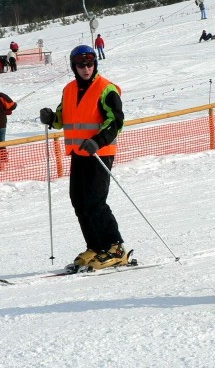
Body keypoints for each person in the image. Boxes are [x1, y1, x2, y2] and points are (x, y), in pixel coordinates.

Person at [39, 44, 128, 272]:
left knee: (95, 201)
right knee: (79, 201)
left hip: (99, 153)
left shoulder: (106, 89)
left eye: (89, 64)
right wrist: (51, 118)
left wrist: (98, 141)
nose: (86, 69)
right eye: (81, 65)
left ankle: (115, 248)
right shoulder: (69, 90)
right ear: (74, 66)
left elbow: (116, 121)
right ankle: (96, 246)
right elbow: (63, 118)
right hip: (78, 153)